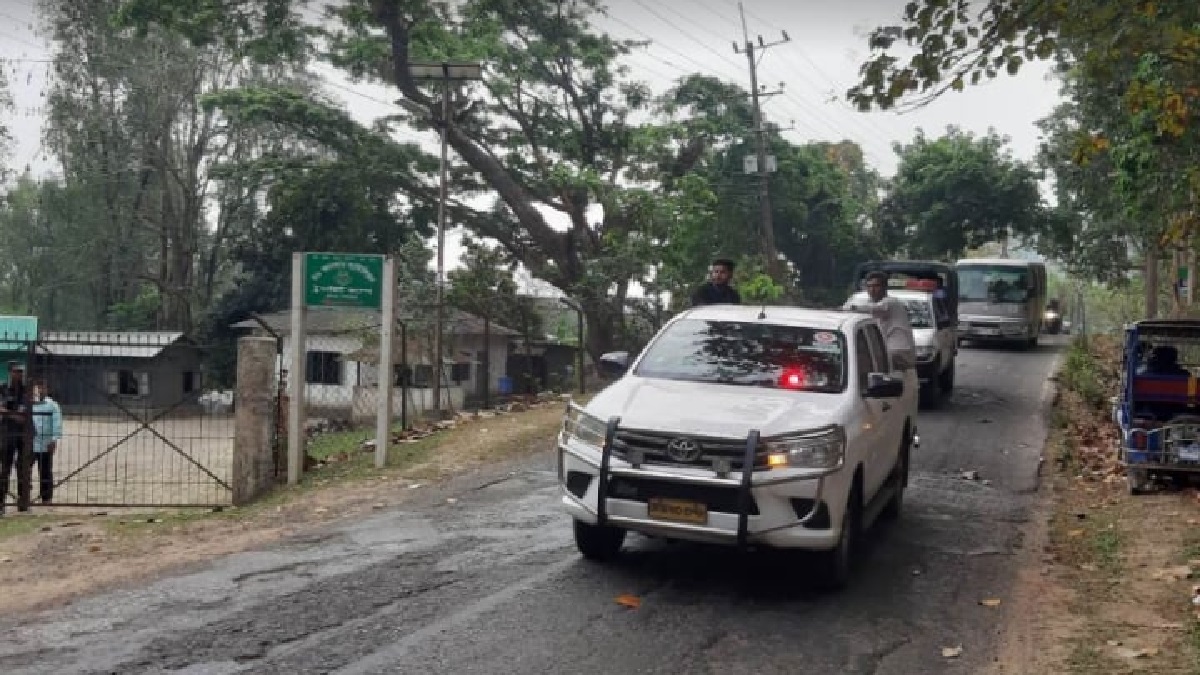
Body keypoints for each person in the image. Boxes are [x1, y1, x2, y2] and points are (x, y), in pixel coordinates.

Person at [843, 271, 917, 370]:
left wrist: (848, 308)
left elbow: (872, 308)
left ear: (885, 287)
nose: (872, 290)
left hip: (899, 350)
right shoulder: (873, 304)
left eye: (876, 286)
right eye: (869, 286)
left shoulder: (890, 302)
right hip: (891, 349)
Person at [0, 362, 29, 515]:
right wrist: (13, 415)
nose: (19, 374)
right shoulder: (3, 388)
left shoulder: (26, 390)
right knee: (5, 468)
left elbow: (29, 408)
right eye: (16, 371)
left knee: (23, 468)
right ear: (10, 372)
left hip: (23, 433)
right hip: (7, 432)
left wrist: (14, 414)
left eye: (21, 372)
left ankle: (23, 501)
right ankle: (1, 502)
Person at [30, 379, 62, 505]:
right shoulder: (30, 403)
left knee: (45, 471)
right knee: (24, 469)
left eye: (42, 388)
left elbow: (57, 423)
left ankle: (46, 497)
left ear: (47, 389)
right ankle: (25, 496)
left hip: (45, 443)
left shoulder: (52, 405)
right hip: (30, 443)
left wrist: (54, 440)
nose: (40, 390)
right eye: (37, 388)